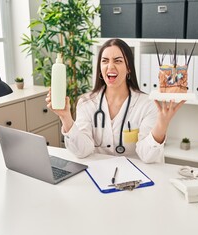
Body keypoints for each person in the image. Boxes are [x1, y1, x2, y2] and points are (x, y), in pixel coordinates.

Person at [46, 38, 185, 163]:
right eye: (105, 61)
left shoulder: (147, 104)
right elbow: (82, 151)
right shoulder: (86, 103)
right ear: (100, 69)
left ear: (129, 67)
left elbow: (147, 156)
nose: (110, 66)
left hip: (136, 180)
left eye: (118, 61)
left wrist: (162, 125)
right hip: (101, 175)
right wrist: (65, 117)